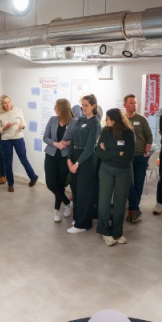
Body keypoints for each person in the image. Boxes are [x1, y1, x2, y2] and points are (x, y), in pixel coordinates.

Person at [96, 108, 135, 246]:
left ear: (114, 120)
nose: (106, 121)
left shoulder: (128, 133)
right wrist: (117, 153)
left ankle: (117, 232)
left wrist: (108, 151)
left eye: (107, 118)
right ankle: (105, 232)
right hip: (106, 170)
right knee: (104, 201)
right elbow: (99, 152)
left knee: (120, 203)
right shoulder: (105, 131)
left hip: (123, 172)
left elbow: (128, 156)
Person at [67, 95, 102, 234]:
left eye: (87, 105)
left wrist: (77, 163)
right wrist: (69, 159)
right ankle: (78, 218)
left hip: (86, 160)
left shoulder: (95, 123)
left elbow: (90, 147)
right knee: (75, 190)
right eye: (83, 105)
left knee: (84, 193)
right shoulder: (81, 119)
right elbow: (72, 140)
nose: (84, 108)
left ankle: (83, 224)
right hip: (75, 157)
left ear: (93, 106)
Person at [44, 99, 78, 222]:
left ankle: (56, 210)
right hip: (51, 155)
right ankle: (68, 203)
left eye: (56, 106)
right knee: (50, 183)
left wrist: (67, 143)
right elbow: (45, 137)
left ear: (62, 108)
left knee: (60, 184)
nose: (54, 108)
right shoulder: (53, 119)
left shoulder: (74, 122)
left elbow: (77, 139)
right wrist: (56, 144)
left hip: (65, 157)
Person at [0, 95, 38, 192]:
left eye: (8, 102)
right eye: (5, 103)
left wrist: (22, 126)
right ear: (2, 104)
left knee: (23, 159)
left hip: (18, 138)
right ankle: (10, 184)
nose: (7, 104)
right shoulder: (0, 114)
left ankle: (33, 177)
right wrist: (5, 127)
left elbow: (24, 122)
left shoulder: (18, 110)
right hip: (6, 140)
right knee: (8, 162)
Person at [124, 94, 153, 224]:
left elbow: (149, 136)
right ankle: (135, 208)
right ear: (125, 105)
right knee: (128, 183)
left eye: (135, 103)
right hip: (127, 157)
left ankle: (133, 209)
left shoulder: (141, 119)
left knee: (139, 183)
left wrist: (146, 152)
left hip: (141, 157)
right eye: (131, 103)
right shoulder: (122, 120)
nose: (134, 105)